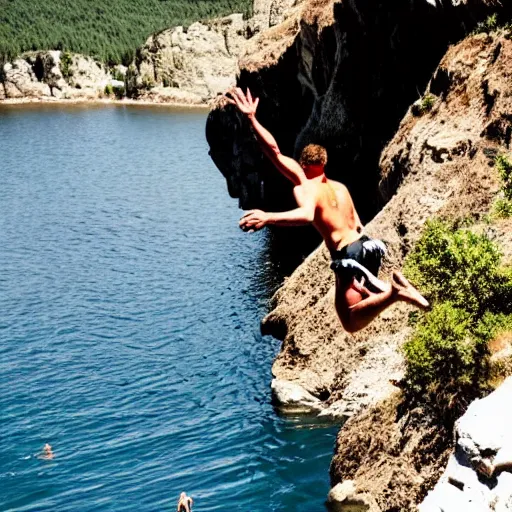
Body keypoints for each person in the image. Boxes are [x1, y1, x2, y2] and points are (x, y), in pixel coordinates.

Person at [226, 87, 429, 333]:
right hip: (367, 245)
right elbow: (357, 224)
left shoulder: (305, 187)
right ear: (323, 164)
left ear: (302, 164)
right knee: (362, 302)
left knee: (350, 321)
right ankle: (388, 291)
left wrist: (268, 217)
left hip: (348, 254)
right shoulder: (340, 187)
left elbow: (277, 157)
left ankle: (394, 294)